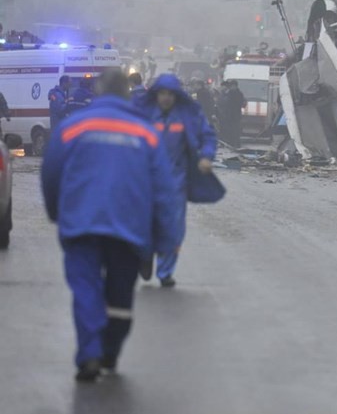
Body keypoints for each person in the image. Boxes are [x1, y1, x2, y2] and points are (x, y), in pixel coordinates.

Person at [41, 70, 178, 382]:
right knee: (119, 295)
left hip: (80, 224)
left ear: (98, 92)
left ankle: (89, 354)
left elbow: (51, 172)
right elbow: (164, 191)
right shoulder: (146, 133)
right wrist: (164, 237)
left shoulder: (73, 126)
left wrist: (55, 211)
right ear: (127, 93)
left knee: (86, 289)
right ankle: (111, 351)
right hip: (128, 227)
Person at [135, 73, 217, 287]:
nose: (166, 98)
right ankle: (145, 255)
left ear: (177, 95)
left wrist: (207, 156)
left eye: (170, 94)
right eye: (162, 93)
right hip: (146, 181)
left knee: (173, 229)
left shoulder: (188, 116)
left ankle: (165, 272)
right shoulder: (143, 115)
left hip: (176, 183)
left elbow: (207, 136)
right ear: (156, 94)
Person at [217, 80, 246, 148]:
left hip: (235, 114)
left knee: (235, 130)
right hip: (229, 114)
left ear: (235, 86)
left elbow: (241, 103)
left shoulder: (238, 93)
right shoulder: (229, 93)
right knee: (230, 129)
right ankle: (231, 143)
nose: (230, 87)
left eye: (231, 86)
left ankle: (236, 143)